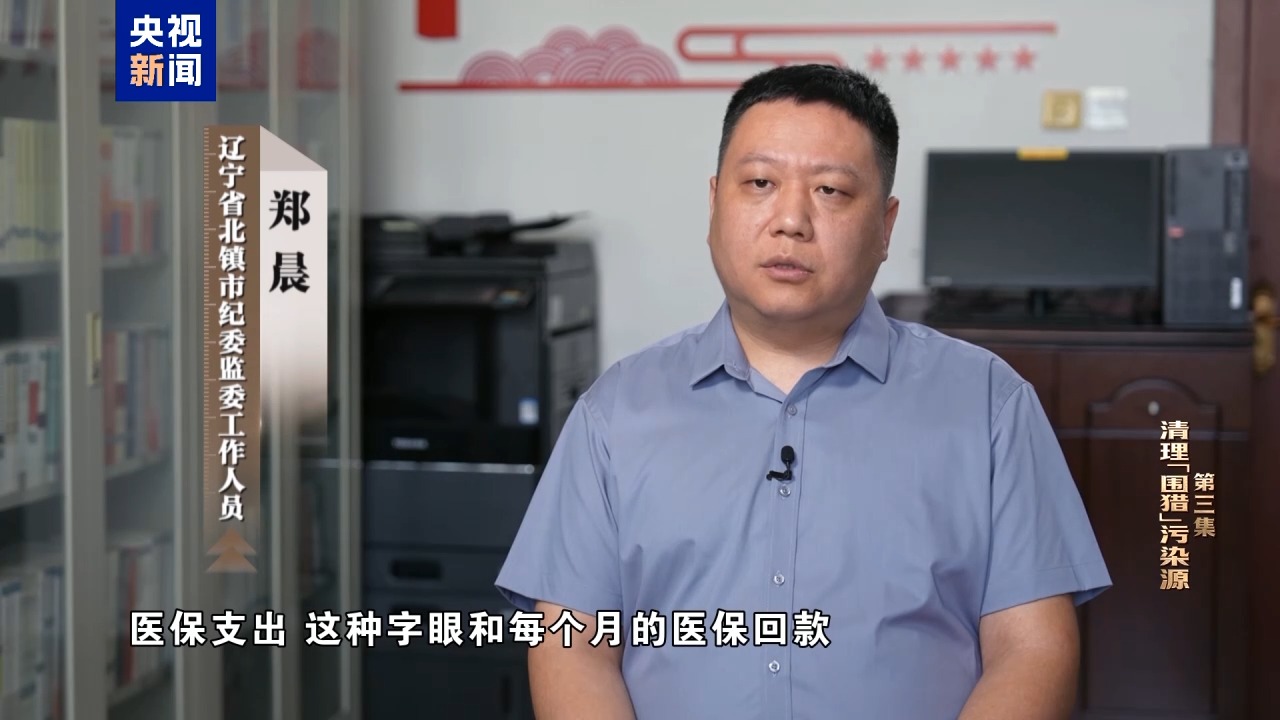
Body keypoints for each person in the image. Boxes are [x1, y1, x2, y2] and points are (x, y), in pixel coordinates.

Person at [495, 63, 1111, 719]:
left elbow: (1031, 649)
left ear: (885, 225)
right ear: (715, 203)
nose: (790, 219)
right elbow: (572, 647)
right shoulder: (616, 413)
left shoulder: (988, 404)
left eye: (830, 191)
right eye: (760, 183)